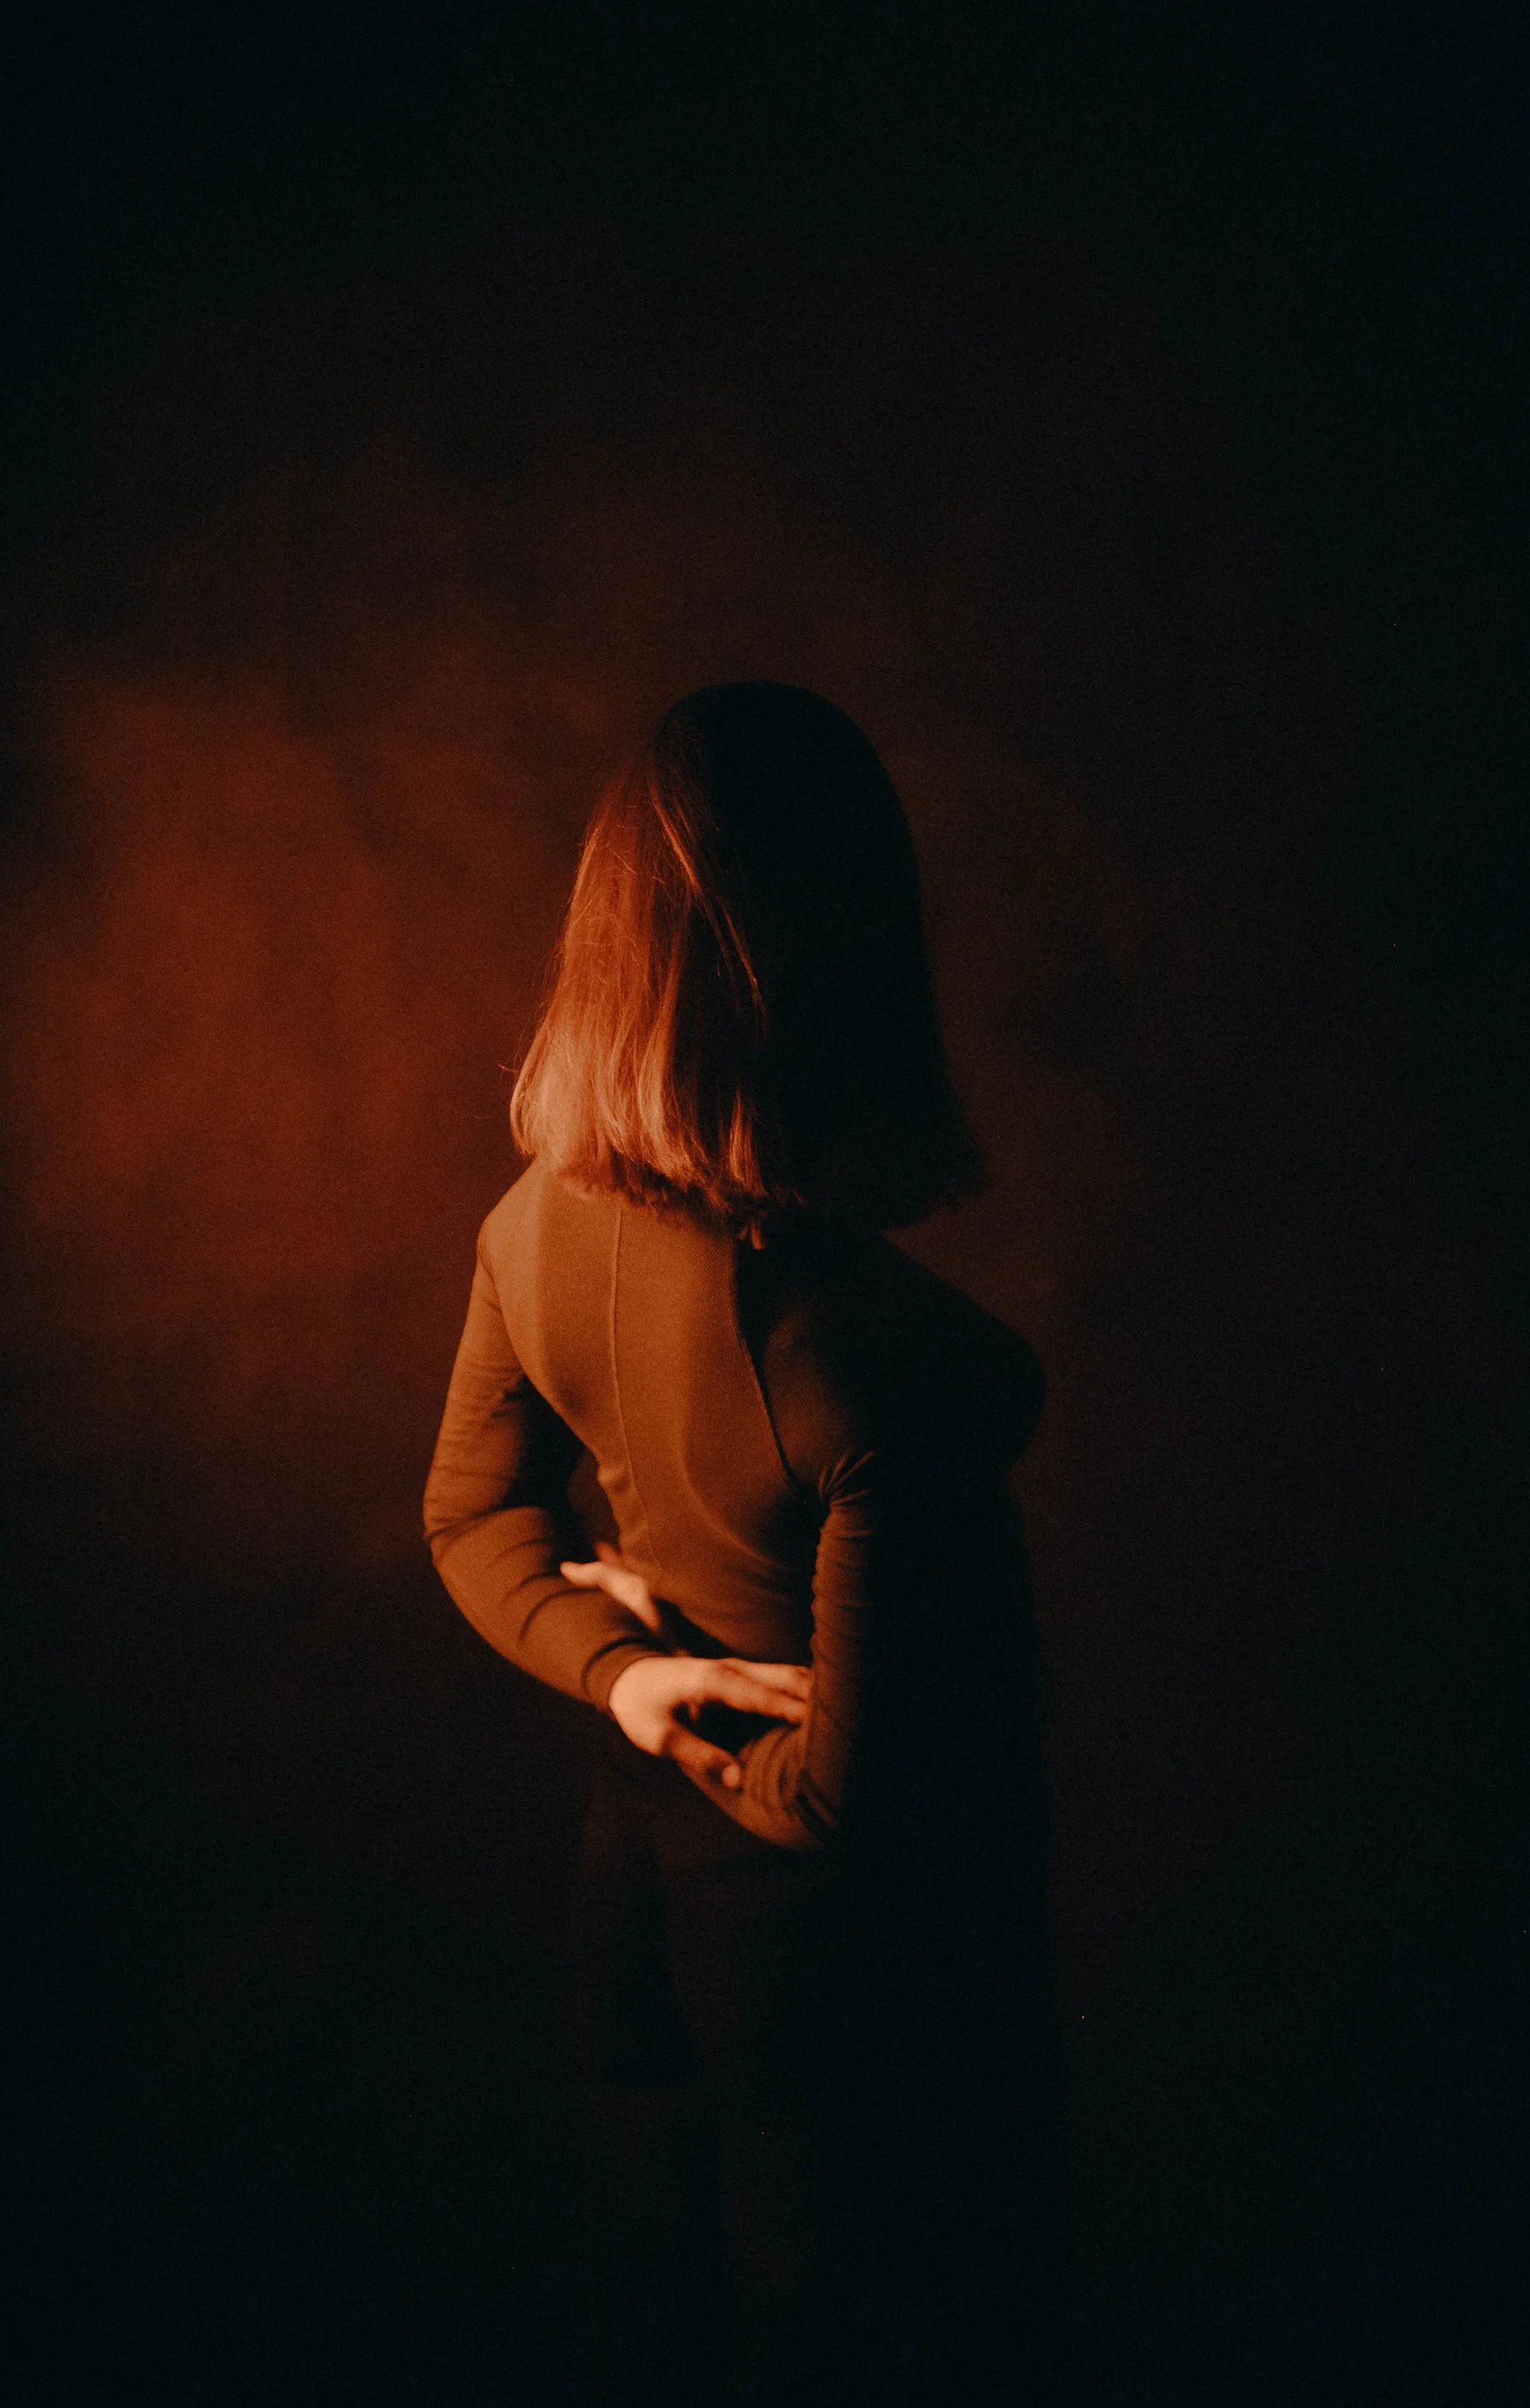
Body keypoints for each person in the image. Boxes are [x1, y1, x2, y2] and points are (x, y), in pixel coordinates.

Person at [423, 683, 1066, 2406]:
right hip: (855, 1987)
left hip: (632, 1911)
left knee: (654, 2325)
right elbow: (854, 1801)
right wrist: (666, 1703)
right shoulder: (892, 1362)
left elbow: (472, 1518)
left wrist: (625, 1683)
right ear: (855, 951)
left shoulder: (526, 1226)